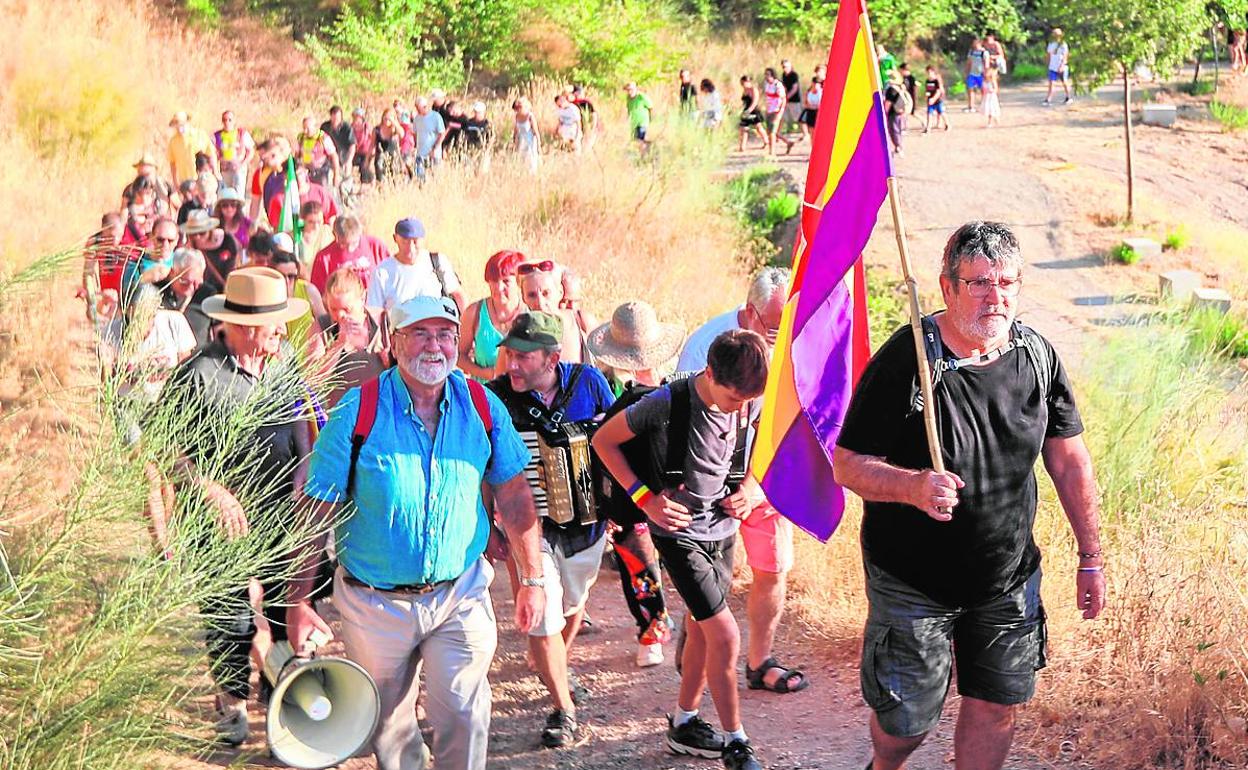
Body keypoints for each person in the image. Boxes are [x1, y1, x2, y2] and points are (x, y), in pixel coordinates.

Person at [832, 221, 1105, 770]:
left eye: (1006, 283)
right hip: (913, 582)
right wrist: (911, 486)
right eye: (979, 283)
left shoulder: (1037, 357)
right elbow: (847, 465)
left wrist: (1090, 556)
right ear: (947, 286)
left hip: (1005, 578)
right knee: (905, 723)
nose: (994, 297)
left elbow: (1069, 459)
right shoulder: (904, 362)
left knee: (997, 705)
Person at [287, 294, 544, 770]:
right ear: (394, 340)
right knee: (389, 727)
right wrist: (298, 601)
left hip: (458, 592)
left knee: (466, 714)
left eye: (445, 335)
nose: (435, 347)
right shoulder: (357, 410)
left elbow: (513, 493)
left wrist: (532, 580)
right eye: (420, 334)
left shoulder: (482, 407)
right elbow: (317, 508)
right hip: (374, 601)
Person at [593, 330, 770, 770]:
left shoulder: (751, 399)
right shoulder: (667, 403)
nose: (741, 409)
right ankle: (736, 742)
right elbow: (603, 441)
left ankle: (685, 722)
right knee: (726, 634)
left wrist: (750, 489)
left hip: (722, 530)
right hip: (678, 534)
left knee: (700, 626)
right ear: (710, 374)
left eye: (749, 400)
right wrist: (645, 499)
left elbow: (765, 455)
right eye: (734, 399)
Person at [162, 266, 311, 746]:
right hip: (220, 520)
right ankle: (230, 704)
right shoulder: (198, 374)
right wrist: (210, 488)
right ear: (245, 328)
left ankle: (283, 708)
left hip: (281, 506)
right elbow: (166, 452)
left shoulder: (284, 358)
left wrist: (307, 462)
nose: (281, 333)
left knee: (288, 605)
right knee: (230, 620)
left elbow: (301, 418)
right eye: (273, 324)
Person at [675, 268, 808, 696]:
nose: (781, 334)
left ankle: (760, 661)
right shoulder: (706, 344)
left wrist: (757, 484)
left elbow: (795, 417)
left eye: (787, 324)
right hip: (710, 480)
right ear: (750, 313)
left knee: (772, 567)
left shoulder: (794, 343)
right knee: (711, 576)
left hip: (765, 477)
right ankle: (694, 646)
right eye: (773, 326)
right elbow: (685, 421)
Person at [486, 312, 616, 748]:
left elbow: (619, 442)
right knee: (542, 616)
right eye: (509, 354)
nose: (513, 365)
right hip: (528, 530)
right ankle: (564, 707)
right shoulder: (495, 397)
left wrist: (617, 506)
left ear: (553, 358)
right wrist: (489, 524)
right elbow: (483, 469)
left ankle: (553, 661)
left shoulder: (590, 384)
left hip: (587, 526)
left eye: (524, 357)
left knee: (573, 606)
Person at [586, 301, 685, 668]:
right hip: (678, 500)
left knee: (639, 570)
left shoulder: (622, 408)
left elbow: (606, 459)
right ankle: (675, 629)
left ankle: (651, 634)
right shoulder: (680, 396)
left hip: (633, 504)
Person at [307, 268, 389, 407]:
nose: (340, 316)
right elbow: (312, 378)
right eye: (333, 309)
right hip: (342, 415)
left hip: (381, 410)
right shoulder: (322, 327)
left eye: (347, 309)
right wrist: (339, 343)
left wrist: (390, 361)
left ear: (363, 298)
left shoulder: (383, 321)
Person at [366, 218, 466, 314]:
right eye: (405, 241)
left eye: (415, 241)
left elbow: (457, 294)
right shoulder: (382, 272)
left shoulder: (438, 262)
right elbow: (375, 312)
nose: (410, 248)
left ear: (423, 240)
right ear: (395, 239)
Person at [458, 250, 526, 381]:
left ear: (519, 282)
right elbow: (458, 356)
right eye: (494, 281)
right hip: (484, 394)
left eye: (506, 281)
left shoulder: (530, 314)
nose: (499, 287)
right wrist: (484, 373)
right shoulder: (474, 313)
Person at [518, 262, 590, 364]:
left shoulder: (582, 322)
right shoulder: (518, 337)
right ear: (523, 298)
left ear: (560, 292)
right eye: (532, 295)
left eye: (546, 293)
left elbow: (609, 368)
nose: (540, 303)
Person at [309, 214, 391, 294]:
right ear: (335, 235)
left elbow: (391, 275)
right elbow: (317, 294)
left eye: (355, 243)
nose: (350, 248)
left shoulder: (375, 246)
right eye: (344, 244)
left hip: (373, 304)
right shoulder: (324, 258)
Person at [270, 248, 324, 353]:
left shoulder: (309, 290)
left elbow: (325, 324)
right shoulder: (265, 297)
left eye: (291, 276)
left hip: (307, 362)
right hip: (277, 363)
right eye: (281, 276)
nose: (286, 281)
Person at [164, 247, 215, 346]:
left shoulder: (208, 295)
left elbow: (219, 332)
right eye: (185, 281)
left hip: (198, 358)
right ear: (172, 273)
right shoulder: (157, 293)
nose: (191, 287)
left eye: (196, 282)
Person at [266, 163, 338, 232]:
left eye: (300, 174)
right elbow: (276, 227)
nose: (298, 178)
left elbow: (331, 217)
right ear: (285, 176)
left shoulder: (320, 192)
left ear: (306, 171)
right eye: (293, 175)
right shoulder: (279, 199)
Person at [182, 210, 241, 294]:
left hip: (225, 290)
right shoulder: (188, 248)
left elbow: (234, 267)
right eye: (193, 233)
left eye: (202, 232)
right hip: (201, 292)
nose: (198, 237)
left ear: (210, 229)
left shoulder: (228, 241)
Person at [167, 111, 218, 187]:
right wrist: (175, 182)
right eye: (176, 125)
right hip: (185, 181)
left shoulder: (200, 135)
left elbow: (211, 154)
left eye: (181, 124)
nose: (179, 127)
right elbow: (172, 163)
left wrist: (216, 172)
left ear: (187, 122)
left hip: (202, 179)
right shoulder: (173, 141)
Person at [213, 111, 255, 193]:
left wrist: (243, 164)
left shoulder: (242, 134)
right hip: (224, 170)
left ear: (234, 121)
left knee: (238, 194)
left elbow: (251, 151)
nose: (227, 122)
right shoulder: (217, 135)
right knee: (224, 194)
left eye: (230, 120)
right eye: (224, 120)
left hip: (239, 169)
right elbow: (212, 154)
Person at [297, 115, 340, 189]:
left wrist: (336, 175)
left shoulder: (323, 138)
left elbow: (334, 156)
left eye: (307, 128)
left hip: (321, 171)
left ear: (314, 127)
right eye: (304, 128)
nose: (305, 131)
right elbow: (297, 155)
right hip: (307, 171)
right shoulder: (301, 138)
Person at [411, 96, 448, 181]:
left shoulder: (436, 117)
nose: (417, 110)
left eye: (418, 108)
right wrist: (415, 147)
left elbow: (441, 134)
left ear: (425, 107)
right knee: (420, 177)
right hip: (420, 153)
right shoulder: (417, 118)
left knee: (436, 177)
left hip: (434, 153)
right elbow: (415, 134)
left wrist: (435, 148)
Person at [296, 200, 333, 277]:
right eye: (311, 222)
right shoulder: (296, 235)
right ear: (303, 220)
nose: (316, 227)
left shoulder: (326, 232)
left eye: (319, 222)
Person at [761, 68, 793, 155]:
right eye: (765, 74)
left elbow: (783, 99)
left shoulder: (778, 85)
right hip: (769, 110)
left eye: (768, 74)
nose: (766, 77)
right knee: (770, 131)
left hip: (776, 110)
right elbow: (767, 97)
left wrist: (780, 111)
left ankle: (772, 152)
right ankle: (788, 142)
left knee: (772, 132)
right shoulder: (766, 84)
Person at [320, 105, 356, 179]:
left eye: (338, 117)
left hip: (344, 157)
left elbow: (352, 145)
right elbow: (320, 142)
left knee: (345, 178)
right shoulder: (325, 127)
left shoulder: (347, 127)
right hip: (329, 157)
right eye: (334, 117)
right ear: (331, 116)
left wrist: (349, 161)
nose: (336, 119)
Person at [373, 108, 407, 183]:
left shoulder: (395, 129)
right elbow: (372, 145)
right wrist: (368, 159)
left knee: (394, 180)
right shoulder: (377, 129)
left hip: (394, 158)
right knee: (382, 180)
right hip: (381, 159)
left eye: (390, 117)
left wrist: (393, 121)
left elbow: (402, 134)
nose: (387, 119)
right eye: (386, 117)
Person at [213, 188, 251, 253]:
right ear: (219, 208)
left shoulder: (246, 222)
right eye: (225, 205)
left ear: (238, 206)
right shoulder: (213, 225)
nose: (229, 209)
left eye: (233, 205)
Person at [738, 76, 767, 152]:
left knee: (758, 127)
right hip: (746, 110)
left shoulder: (753, 90)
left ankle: (766, 141)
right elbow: (744, 102)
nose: (743, 84)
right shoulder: (744, 90)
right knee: (743, 128)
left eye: (744, 82)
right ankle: (742, 146)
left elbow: (755, 102)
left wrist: (749, 110)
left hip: (754, 111)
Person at [512, 97, 541, 173]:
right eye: (516, 108)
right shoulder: (517, 116)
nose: (518, 109)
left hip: (530, 140)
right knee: (522, 158)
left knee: (531, 159)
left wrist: (538, 145)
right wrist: (514, 141)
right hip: (521, 140)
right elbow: (516, 130)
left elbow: (536, 131)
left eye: (520, 107)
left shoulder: (530, 116)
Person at [883, 71, 909, 156]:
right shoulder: (901, 87)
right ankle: (899, 147)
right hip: (901, 111)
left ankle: (898, 147)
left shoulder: (891, 89)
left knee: (894, 131)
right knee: (899, 130)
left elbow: (888, 103)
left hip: (893, 113)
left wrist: (884, 113)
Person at [1044, 28, 1072, 106]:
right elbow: (1049, 55)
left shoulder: (1063, 44)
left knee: (1065, 82)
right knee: (1051, 83)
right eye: (1054, 34)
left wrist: (1062, 65)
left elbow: (1065, 56)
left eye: (1057, 35)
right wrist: (1048, 64)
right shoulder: (1051, 44)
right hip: (1053, 66)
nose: (1056, 36)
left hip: (1061, 66)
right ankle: (1048, 99)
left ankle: (1068, 97)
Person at [624, 82, 653, 151]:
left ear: (635, 89)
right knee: (636, 141)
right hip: (634, 123)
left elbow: (650, 106)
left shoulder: (641, 96)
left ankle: (643, 155)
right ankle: (647, 149)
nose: (629, 92)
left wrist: (650, 117)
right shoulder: (628, 98)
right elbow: (629, 109)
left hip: (642, 122)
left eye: (631, 90)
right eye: (628, 90)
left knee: (640, 139)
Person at [350, 108, 375, 186]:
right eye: (354, 117)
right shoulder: (351, 128)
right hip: (355, 152)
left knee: (364, 166)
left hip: (366, 152)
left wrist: (373, 150)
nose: (356, 119)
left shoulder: (367, 127)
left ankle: (367, 183)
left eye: (357, 117)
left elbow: (374, 139)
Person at [923, 65, 950, 133]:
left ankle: (947, 124)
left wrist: (933, 99)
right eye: (927, 72)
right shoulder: (927, 81)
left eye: (930, 72)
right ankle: (928, 128)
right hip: (930, 100)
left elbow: (938, 91)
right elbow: (928, 90)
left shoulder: (936, 81)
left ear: (933, 72)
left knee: (941, 112)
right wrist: (927, 96)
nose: (929, 74)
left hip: (938, 100)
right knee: (929, 113)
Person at [964, 38, 988, 113]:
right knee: (970, 89)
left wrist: (986, 74)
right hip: (972, 73)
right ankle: (971, 106)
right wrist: (966, 71)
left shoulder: (984, 53)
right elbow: (969, 62)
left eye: (976, 43)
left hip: (981, 74)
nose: (974, 44)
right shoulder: (971, 52)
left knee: (983, 90)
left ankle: (983, 105)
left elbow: (986, 64)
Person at [780, 59, 802, 137]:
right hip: (786, 99)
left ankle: (806, 133)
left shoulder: (794, 75)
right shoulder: (784, 75)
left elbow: (794, 88)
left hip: (794, 100)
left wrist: (787, 97)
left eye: (786, 66)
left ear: (790, 66)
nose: (784, 68)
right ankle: (777, 133)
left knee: (799, 117)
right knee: (781, 116)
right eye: (783, 67)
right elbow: (784, 86)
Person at [800, 74, 822, 141]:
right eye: (815, 83)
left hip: (819, 113)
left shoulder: (822, 92)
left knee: (818, 132)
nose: (816, 85)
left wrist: (815, 107)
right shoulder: (809, 92)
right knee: (812, 133)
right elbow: (805, 103)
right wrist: (811, 106)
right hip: (811, 112)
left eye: (818, 83)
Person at [983, 62, 1002, 128]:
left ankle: (990, 122)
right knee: (992, 108)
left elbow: (995, 88)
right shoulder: (986, 81)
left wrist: (992, 91)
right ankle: (996, 120)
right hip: (988, 96)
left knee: (991, 108)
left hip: (991, 96)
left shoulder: (992, 79)